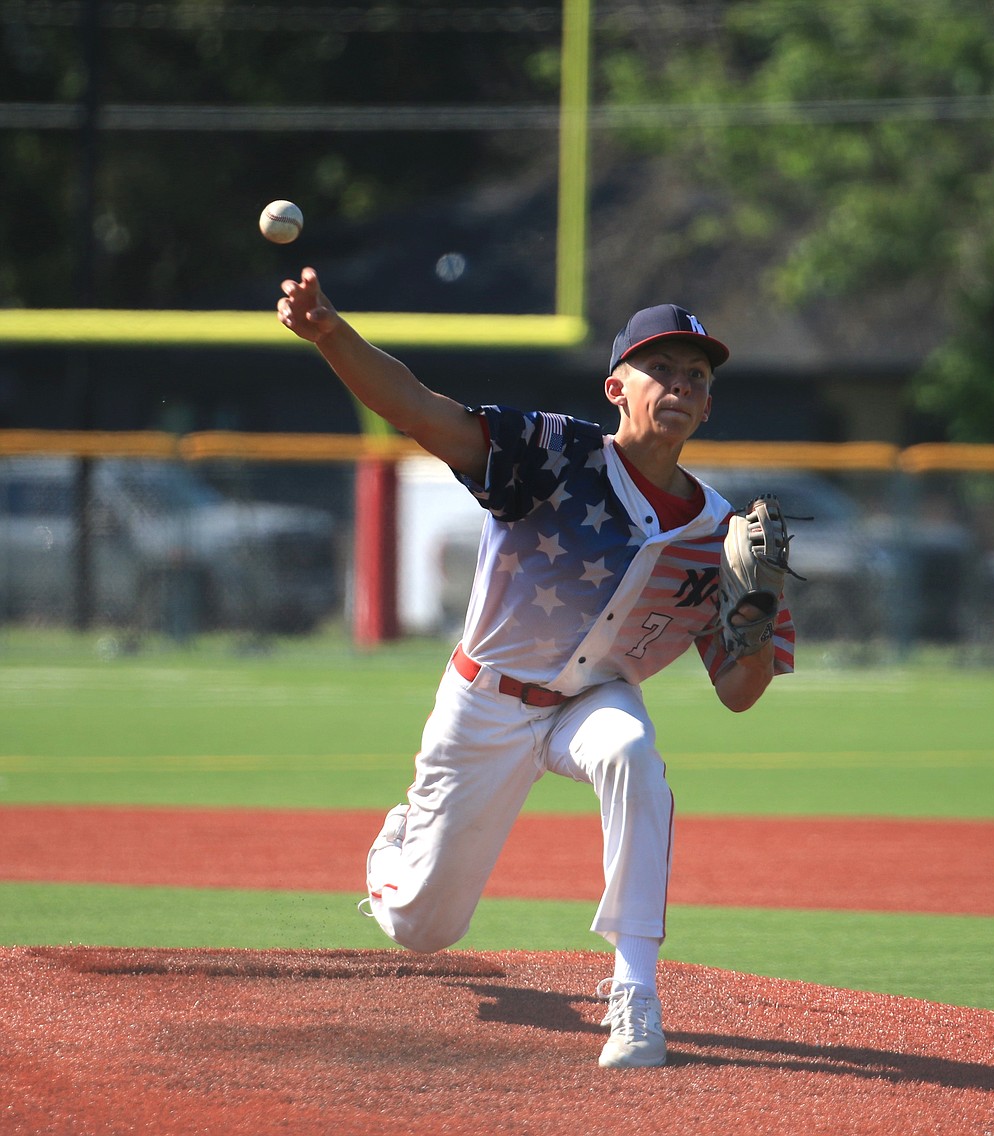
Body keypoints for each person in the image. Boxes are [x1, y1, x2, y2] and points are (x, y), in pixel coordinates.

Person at [276, 267, 795, 1068]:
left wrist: (753, 622)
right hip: (486, 701)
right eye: (661, 368)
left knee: (632, 754)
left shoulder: (724, 534)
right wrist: (331, 335)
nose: (681, 384)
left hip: (594, 700)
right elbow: (417, 409)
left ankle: (636, 995)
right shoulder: (551, 453)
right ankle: (395, 850)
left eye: (697, 375)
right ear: (616, 386)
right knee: (424, 930)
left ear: (710, 403)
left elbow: (738, 693)